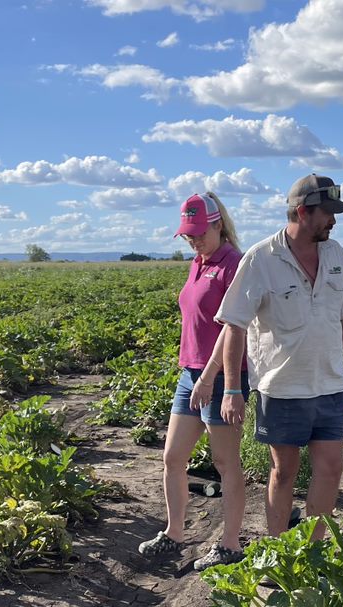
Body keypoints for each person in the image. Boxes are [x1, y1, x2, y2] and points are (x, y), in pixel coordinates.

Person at [215, 174, 343, 538]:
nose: (334, 219)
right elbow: (234, 325)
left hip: (329, 384)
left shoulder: (335, 254)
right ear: (301, 212)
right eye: (327, 212)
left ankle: (311, 552)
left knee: (331, 468)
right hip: (281, 388)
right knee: (284, 472)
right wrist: (233, 389)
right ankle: (280, 549)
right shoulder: (261, 259)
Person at [137, 192, 250, 570]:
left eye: (200, 233)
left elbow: (233, 326)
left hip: (219, 377)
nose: (194, 240)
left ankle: (231, 544)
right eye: (189, 234)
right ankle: (173, 533)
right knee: (172, 457)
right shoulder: (198, 263)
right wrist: (194, 374)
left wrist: (210, 376)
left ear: (219, 224)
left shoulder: (234, 264)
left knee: (224, 462)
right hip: (190, 375)